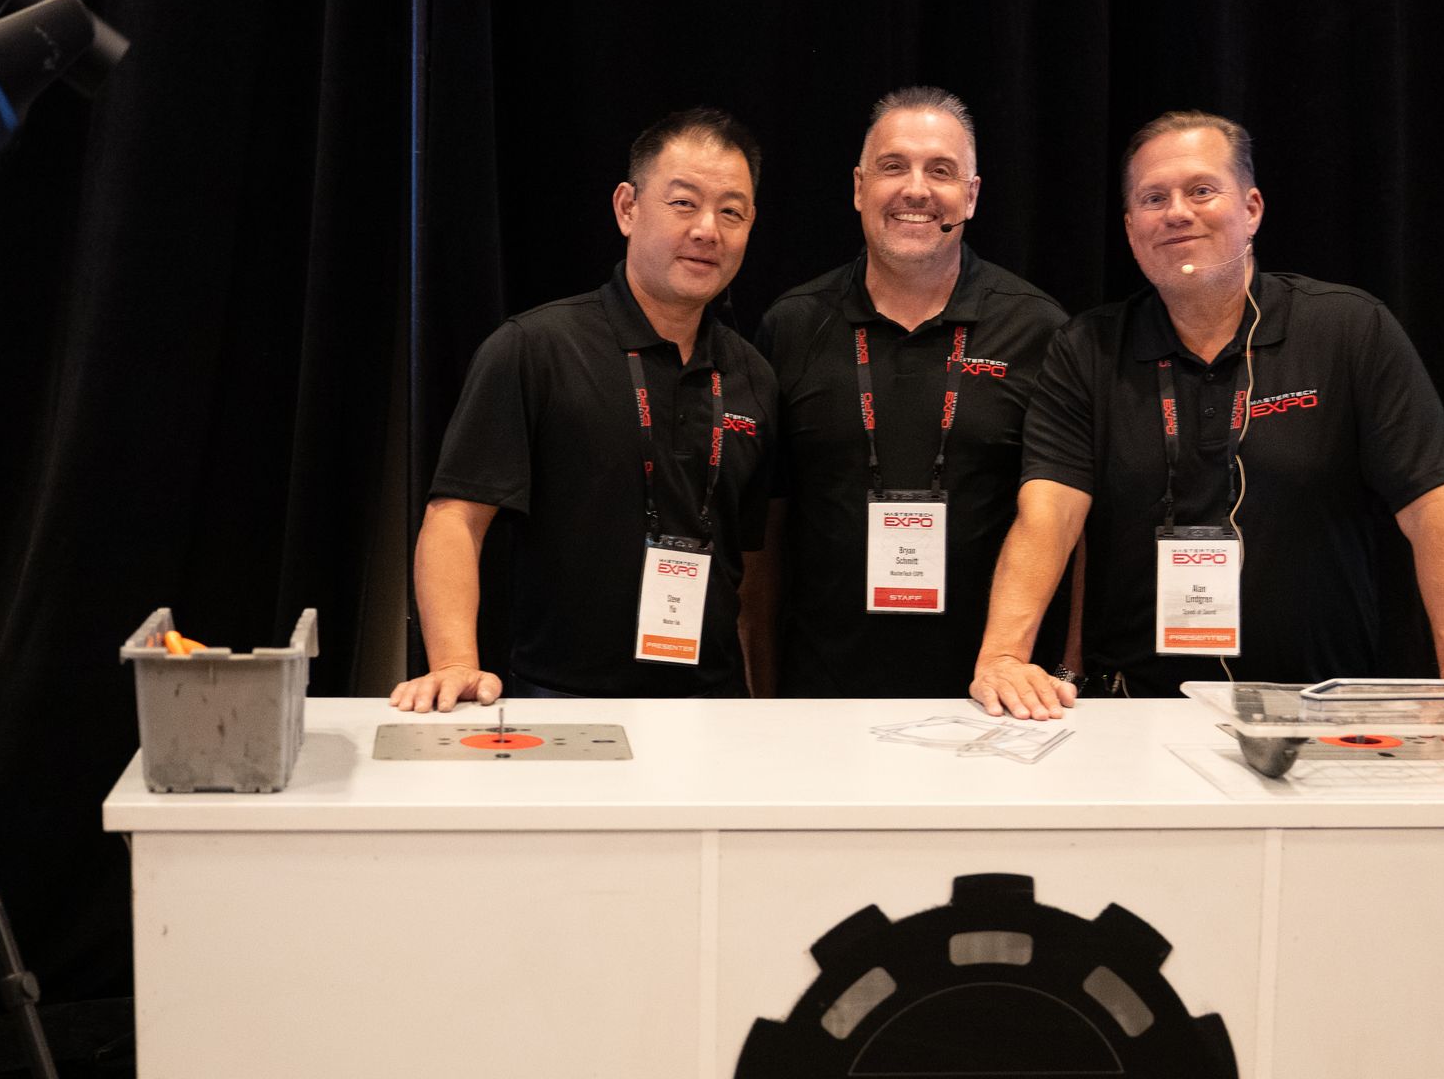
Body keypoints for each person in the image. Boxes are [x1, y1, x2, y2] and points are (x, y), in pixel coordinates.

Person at [969, 110, 1444, 719]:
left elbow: (1435, 509)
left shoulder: (1349, 329)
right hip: (1131, 716)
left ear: (1251, 208)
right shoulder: (1087, 348)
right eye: (1153, 198)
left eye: (1201, 190)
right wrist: (1004, 656)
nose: (1176, 212)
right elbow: (1048, 516)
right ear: (1131, 227)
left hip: (1319, 710)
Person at [391, 107, 776, 710]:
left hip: (714, 709)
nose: (708, 229)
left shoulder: (753, 374)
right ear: (627, 208)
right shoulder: (535, 348)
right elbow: (455, 520)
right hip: (561, 700)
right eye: (683, 203)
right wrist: (456, 663)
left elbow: (751, 564)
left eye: (732, 211)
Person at [745, 87, 1066, 696]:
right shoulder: (791, 326)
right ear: (860, 188)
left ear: (970, 196)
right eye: (894, 167)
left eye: (940, 171)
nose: (916, 189)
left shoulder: (1038, 328)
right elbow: (765, 530)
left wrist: (1067, 667)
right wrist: (760, 690)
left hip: (992, 700)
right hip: (819, 700)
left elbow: (1066, 522)